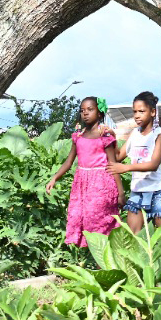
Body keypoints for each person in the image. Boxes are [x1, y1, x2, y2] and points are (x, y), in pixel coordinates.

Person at [45, 95, 123, 247]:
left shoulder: (105, 138)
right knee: (85, 221)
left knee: (99, 222)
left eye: (90, 109)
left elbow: (113, 164)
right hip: (82, 186)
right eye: (82, 110)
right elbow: (69, 162)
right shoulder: (78, 137)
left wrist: (120, 193)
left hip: (102, 185)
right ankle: (98, 263)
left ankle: (104, 265)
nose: (85, 113)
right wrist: (54, 178)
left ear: (99, 113)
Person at [109, 90, 161, 230]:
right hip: (137, 191)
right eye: (135, 112)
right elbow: (119, 156)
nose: (137, 115)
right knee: (134, 237)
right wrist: (111, 137)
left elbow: (154, 164)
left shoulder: (160, 134)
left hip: (157, 192)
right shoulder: (134, 134)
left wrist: (125, 168)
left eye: (141, 111)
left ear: (152, 112)